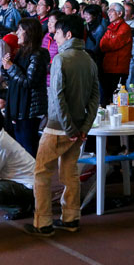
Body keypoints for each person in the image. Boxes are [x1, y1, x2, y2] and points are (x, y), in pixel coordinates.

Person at [24, 14, 99, 236]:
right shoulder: (88, 59)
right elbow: (95, 97)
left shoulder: (61, 59)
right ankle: (71, 218)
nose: (53, 36)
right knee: (70, 174)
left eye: (55, 32)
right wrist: (84, 127)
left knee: (41, 173)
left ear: (67, 34)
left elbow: (57, 96)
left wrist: (69, 128)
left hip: (58, 127)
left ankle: (43, 222)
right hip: (78, 127)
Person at [1, 18, 49, 157]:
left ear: (29, 33)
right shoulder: (21, 52)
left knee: (28, 146)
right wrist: (5, 67)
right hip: (18, 105)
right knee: (19, 146)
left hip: (29, 108)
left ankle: (33, 177)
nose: (17, 33)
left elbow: (29, 82)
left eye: (20, 30)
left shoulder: (38, 55)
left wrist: (11, 68)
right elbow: (12, 80)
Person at [99, 3, 132, 106]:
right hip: (108, 67)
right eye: (108, 10)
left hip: (118, 69)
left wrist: (109, 40)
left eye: (112, 10)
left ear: (120, 13)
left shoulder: (125, 28)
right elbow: (102, 44)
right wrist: (109, 40)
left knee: (117, 99)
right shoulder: (111, 27)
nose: (109, 13)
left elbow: (111, 45)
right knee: (106, 97)